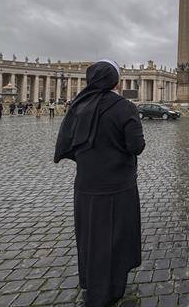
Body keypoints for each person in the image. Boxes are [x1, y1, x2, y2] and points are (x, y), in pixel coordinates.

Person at [54, 60, 145, 307]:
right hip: (119, 184)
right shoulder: (124, 107)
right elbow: (136, 146)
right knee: (117, 237)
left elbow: (69, 144)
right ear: (115, 82)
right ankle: (113, 289)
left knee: (91, 237)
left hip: (87, 185)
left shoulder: (79, 106)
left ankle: (93, 286)